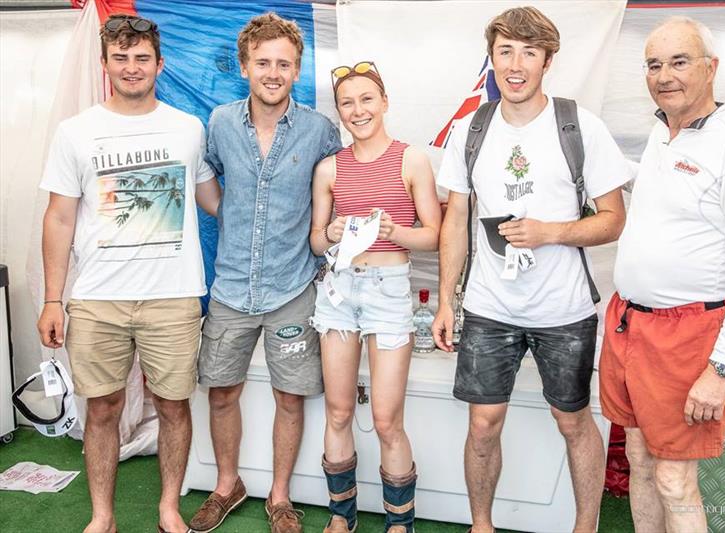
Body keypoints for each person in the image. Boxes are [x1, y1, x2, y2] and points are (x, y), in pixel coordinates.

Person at [432, 7, 632, 533]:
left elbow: (614, 219)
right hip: (487, 306)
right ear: (492, 57)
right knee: (482, 424)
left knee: (572, 421)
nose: (515, 65)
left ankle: (584, 526)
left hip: (563, 308)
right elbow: (456, 219)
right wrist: (448, 299)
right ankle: (482, 526)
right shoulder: (470, 129)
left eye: (529, 52)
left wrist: (552, 231)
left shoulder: (579, 125)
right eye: (505, 51)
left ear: (547, 60)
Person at [36, 14, 220, 533]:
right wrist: (54, 299)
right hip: (97, 298)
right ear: (105, 65)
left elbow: (213, 200)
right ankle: (103, 517)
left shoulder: (189, 128)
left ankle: (167, 507)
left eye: (142, 58)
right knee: (101, 408)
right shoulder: (75, 132)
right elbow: (60, 216)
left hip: (174, 296)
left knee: (174, 406)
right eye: (121, 58)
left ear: (159, 64)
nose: (132, 67)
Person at [600, 16, 725, 532]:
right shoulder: (663, 132)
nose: (664, 75)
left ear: (711, 68)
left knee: (675, 479)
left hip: (687, 336)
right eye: (654, 64)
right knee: (639, 457)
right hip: (629, 325)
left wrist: (720, 371)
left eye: (679, 62)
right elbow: (667, 197)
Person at [188, 13, 341, 533]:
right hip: (230, 285)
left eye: (284, 63)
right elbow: (205, 174)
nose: (273, 72)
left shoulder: (321, 130)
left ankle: (280, 498)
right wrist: (232, 213)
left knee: (289, 396)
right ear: (245, 65)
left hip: (293, 285)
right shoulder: (221, 122)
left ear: (297, 69)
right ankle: (227, 485)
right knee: (222, 390)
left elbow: (338, 193)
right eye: (263, 62)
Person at [308, 61, 441, 533]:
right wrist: (333, 231)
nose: (358, 110)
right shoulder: (329, 167)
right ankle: (341, 518)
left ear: (384, 102)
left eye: (367, 99)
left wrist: (394, 231)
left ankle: (398, 523)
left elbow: (434, 236)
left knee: (387, 419)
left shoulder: (412, 159)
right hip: (339, 292)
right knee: (339, 411)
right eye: (347, 102)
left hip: (388, 294)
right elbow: (316, 243)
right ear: (339, 111)